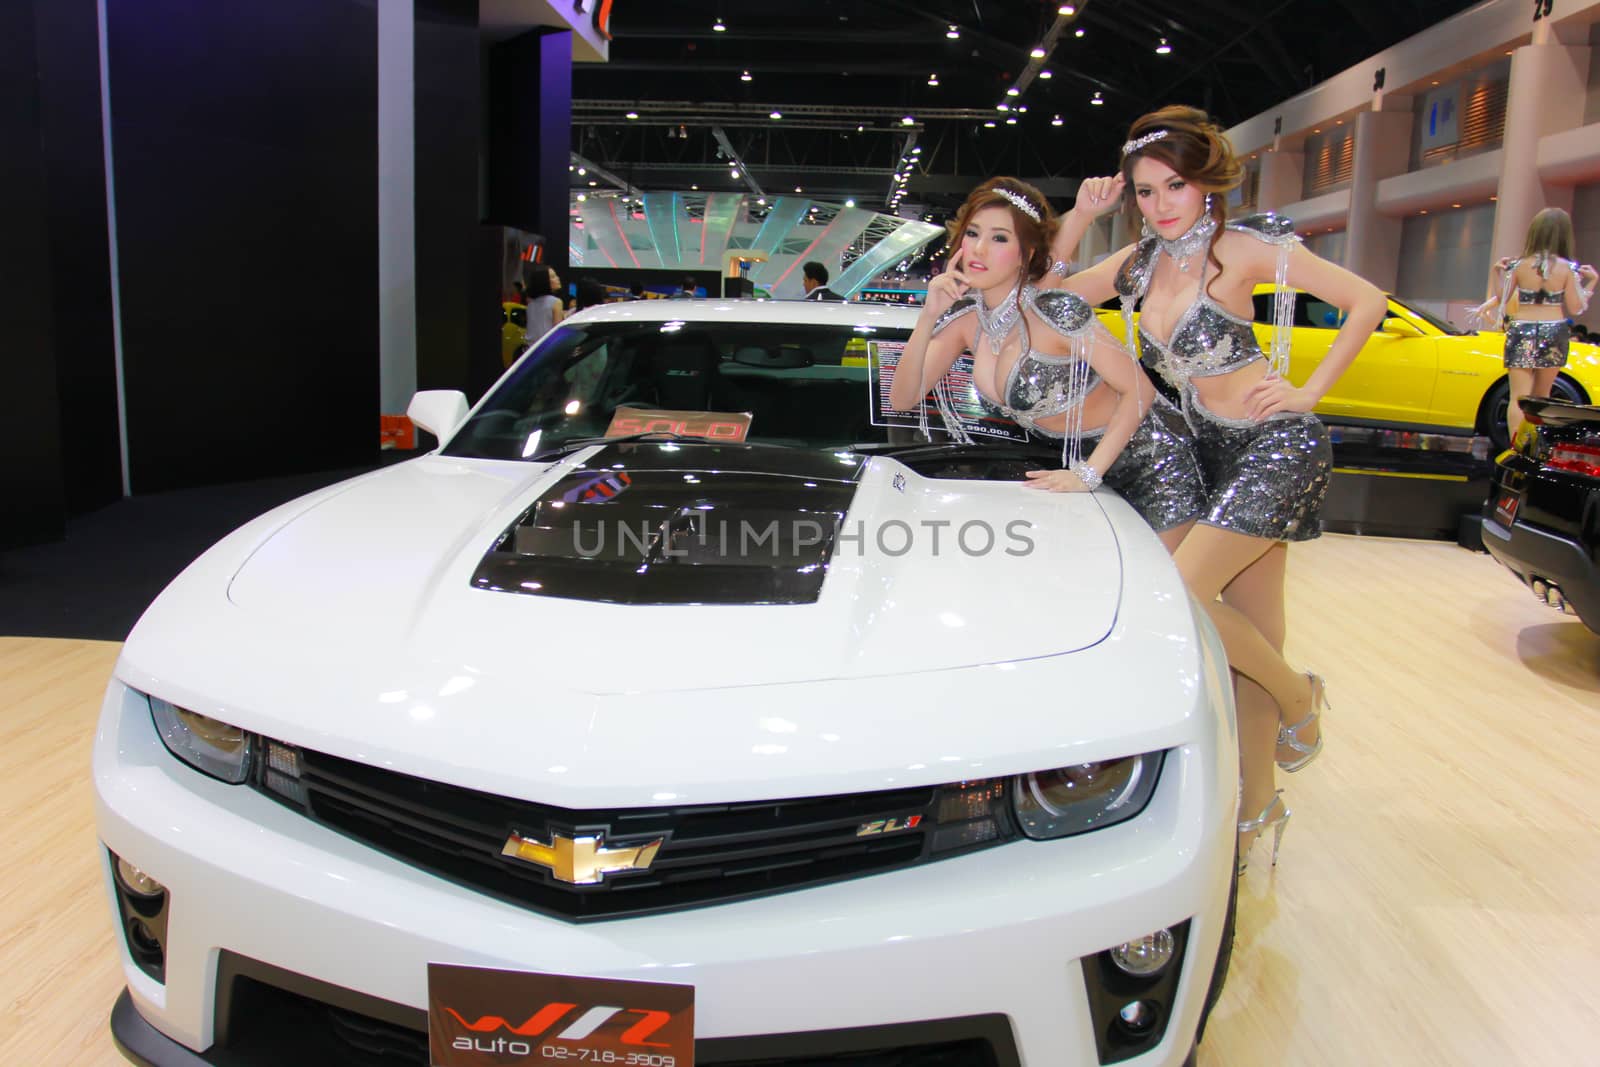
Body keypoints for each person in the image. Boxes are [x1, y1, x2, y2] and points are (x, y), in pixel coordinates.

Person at [1053, 106, 1387, 872]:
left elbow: (1365, 299)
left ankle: (1301, 700)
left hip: (1274, 446)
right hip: (1210, 453)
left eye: (1175, 184)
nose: (1161, 202)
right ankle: (1258, 803)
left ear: (1205, 184)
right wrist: (1080, 216)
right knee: (1250, 641)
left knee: (1181, 592)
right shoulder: (1138, 263)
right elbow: (1058, 296)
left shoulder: (1243, 250)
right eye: (1145, 190)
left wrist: (1307, 392)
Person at [888, 177, 1205, 551]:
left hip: (1156, 468)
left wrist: (1087, 475)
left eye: (1000, 238)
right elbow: (902, 400)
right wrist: (927, 317)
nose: (979, 248)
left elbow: (1139, 388)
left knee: (1155, 598)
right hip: (1087, 480)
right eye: (973, 233)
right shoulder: (963, 321)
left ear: (1026, 252)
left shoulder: (1054, 310)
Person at [1472, 208, 1597, 439]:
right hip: (1554, 331)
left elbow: (1503, 299)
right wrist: (1591, 283)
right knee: (1541, 397)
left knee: (1518, 397)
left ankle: (1516, 448)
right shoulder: (1567, 268)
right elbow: (1577, 307)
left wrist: (1496, 273)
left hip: (1522, 330)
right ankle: (1533, 449)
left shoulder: (1518, 266)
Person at [523, 268, 564, 346]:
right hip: (546, 348)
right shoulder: (556, 302)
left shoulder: (531, 304)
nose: (558, 278)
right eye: (553, 277)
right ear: (545, 282)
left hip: (529, 349)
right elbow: (558, 332)